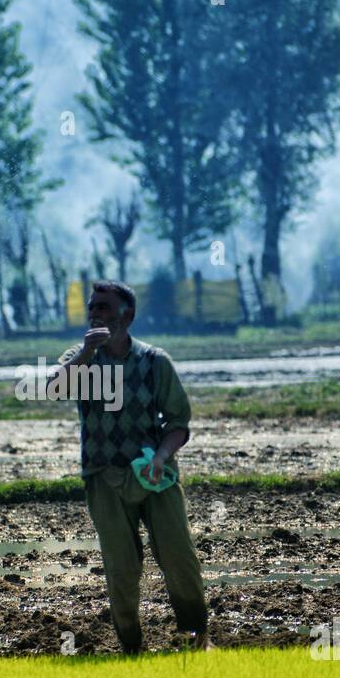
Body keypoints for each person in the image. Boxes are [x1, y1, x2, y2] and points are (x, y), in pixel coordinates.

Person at [51, 280, 212, 654]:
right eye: (93, 306)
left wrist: (160, 457)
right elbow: (54, 389)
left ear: (128, 315)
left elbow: (178, 424)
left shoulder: (156, 362)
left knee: (178, 556)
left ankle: (197, 635)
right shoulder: (81, 357)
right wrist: (87, 352)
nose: (96, 312)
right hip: (104, 478)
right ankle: (131, 646)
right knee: (121, 567)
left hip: (155, 475)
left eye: (104, 307)